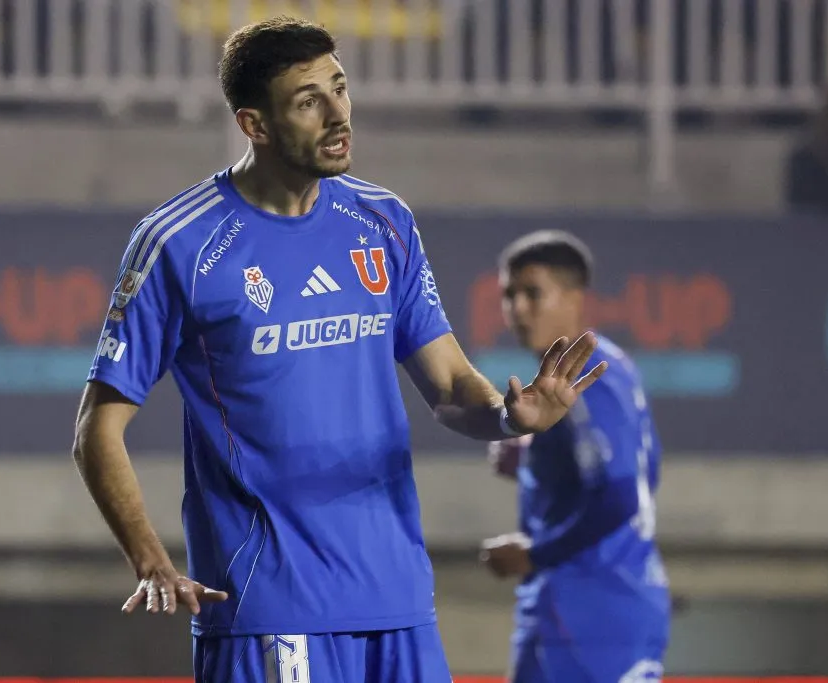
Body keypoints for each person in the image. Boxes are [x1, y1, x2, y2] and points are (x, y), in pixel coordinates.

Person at [71, 17, 606, 682]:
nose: (337, 115)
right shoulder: (181, 244)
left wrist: (507, 416)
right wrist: (150, 557)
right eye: (307, 101)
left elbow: (448, 384)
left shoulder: (384, 221)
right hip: (273, 607)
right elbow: (97, 428)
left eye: (340, 89)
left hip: (399, 600)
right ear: (254, 124)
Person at [479, 230, 671, 683]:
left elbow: (621, 494)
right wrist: (537, 463)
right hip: (604, 603)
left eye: (532, 293)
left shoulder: (586, 379)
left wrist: (536, 554)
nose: (517, 308)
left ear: (574, 298)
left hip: (587, 610)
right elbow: (644, 471)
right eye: (509, 295)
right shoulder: (613, 366)